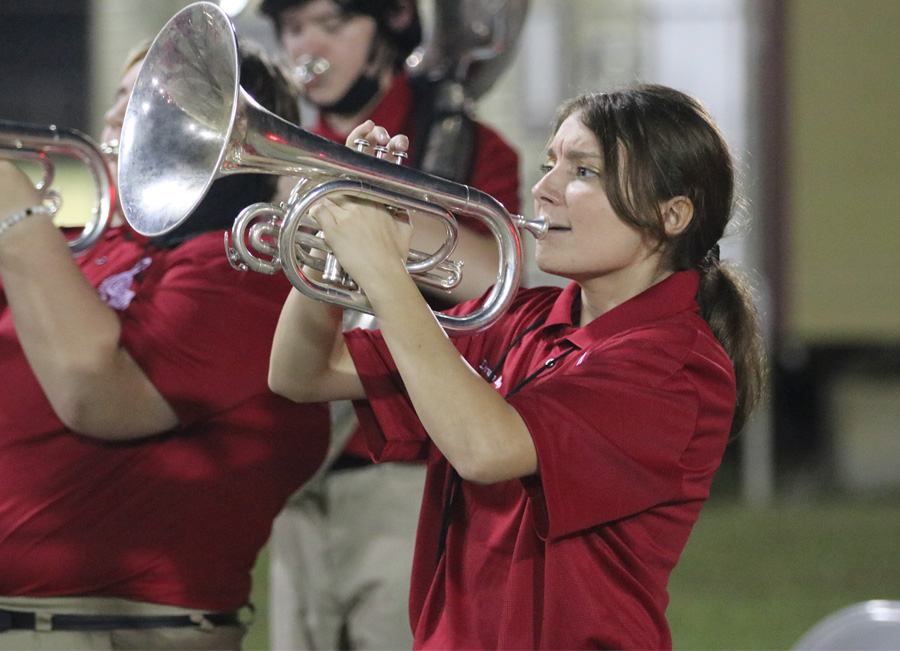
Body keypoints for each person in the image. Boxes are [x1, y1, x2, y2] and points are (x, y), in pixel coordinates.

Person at [267, 83, 768, 650]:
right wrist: (330, 244)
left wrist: (382, 268)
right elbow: (302, 374)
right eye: (550, 164)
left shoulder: (678, 366)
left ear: (670, 214)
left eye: (583, 172)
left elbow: (487, 449)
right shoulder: (523, 318)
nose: (542, 189)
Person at [0, 39, 329, 651]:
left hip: (109, 630)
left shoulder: (242, 270)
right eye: (118, 99)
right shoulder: (101, 247)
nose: (112, 117)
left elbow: (100, 397)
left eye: (141, 101)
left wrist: (16, 213)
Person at [258, 0, 522, 648]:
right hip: (295, 473)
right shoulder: (276, 159)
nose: (308, 46)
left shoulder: (466, 148)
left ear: (389, 28)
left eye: (332, 24)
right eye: (293, 28)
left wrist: (367, 209)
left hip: (407, 475)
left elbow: (489, 284)